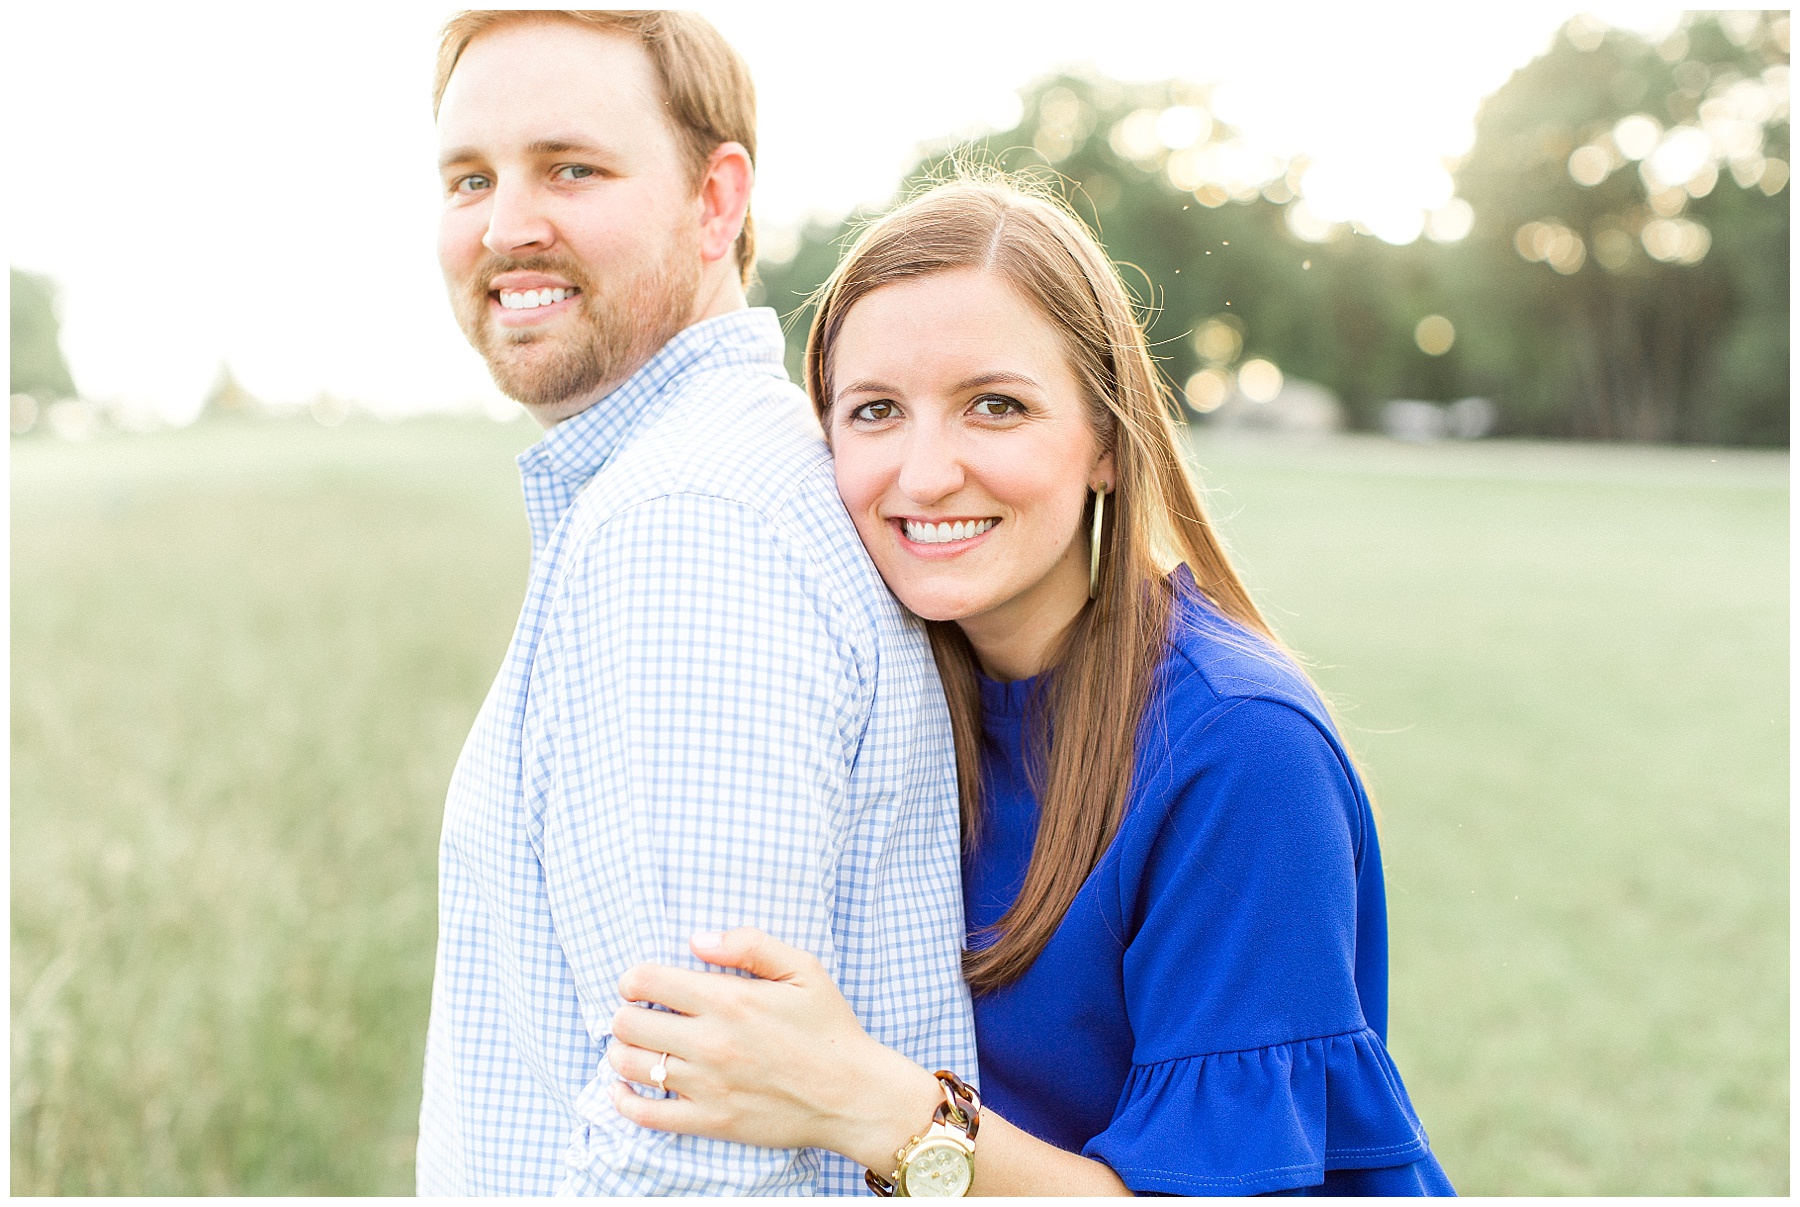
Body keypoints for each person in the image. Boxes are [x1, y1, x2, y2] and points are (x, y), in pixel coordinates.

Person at [602, 178, 1457, 1196]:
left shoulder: (1240, 751)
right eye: (875, 411)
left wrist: (870, 1103)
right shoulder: (885, 692)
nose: (923, 474)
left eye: (994, 406)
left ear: (1104, 438)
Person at [415, 12, 975, 1195]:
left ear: (716, 202)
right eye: (471, 177)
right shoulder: (702, 474)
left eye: (572, 166)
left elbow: (691, 1150)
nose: (507, 225)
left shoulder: (692, 519)